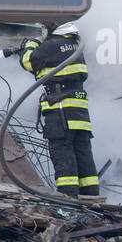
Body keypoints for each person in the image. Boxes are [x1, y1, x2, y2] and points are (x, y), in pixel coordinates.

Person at [6, 22, 103, 201]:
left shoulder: (52, 45)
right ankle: (91, 195)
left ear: (53, 28)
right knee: (82, 149)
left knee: (62, 148)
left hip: (60, 108)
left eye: (44, 29)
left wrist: (30, 44)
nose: (43, 32)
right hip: (78, 110)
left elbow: (28, 61)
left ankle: (68, 196)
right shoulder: (75, 44)